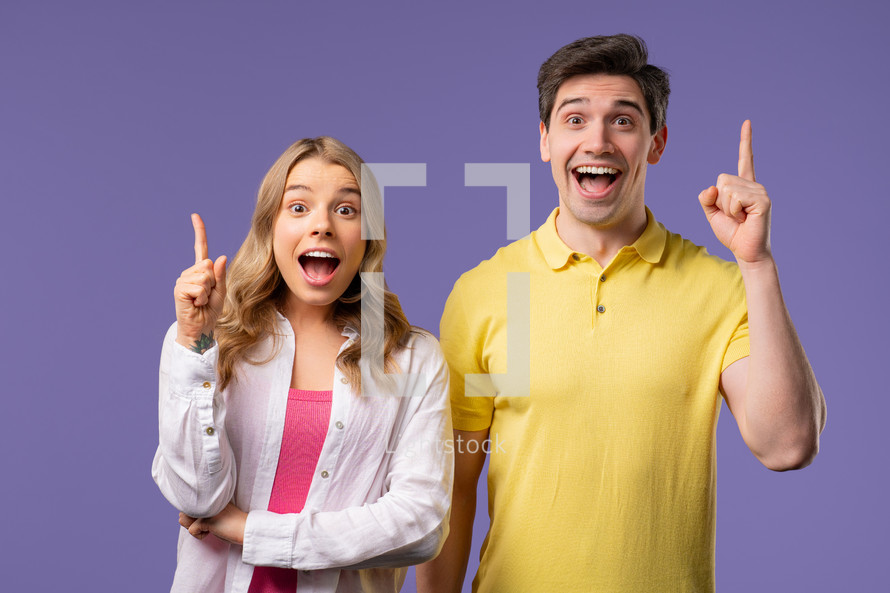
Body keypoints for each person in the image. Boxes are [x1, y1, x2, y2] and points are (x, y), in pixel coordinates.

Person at [416, 34, 826, 592]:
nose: (598, 141)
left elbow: (787, 445)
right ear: (544, 140)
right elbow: (455, 489)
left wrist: (757, 265)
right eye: (575, 119)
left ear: (656, 144)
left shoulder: (721, 287)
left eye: (624, 122)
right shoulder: (481, 293)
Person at [152, 136, 453, 593]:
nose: (323, 226)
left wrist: (246, 529)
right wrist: (195, 341)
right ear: (269, 227)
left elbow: (420, 526)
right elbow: (196, 497)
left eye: (346, 210)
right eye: (298, 207)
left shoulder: (413, 359)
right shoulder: (209, 343)